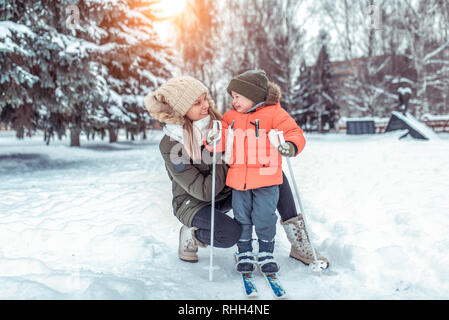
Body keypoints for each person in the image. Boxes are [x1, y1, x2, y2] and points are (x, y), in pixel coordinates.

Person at [144, 75, 329, 269]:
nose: (206, 105)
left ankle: (298, 241)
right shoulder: (170, 144)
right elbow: (204, 191)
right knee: (230, 234)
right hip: (194, 202)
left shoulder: (217, 121)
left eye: (205, 98)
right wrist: (226, 154)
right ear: (180, 110)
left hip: (227, 188)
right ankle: (192, 233)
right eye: (197, 103)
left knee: (271, 174)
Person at [204, 70, 305, 273]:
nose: (234, 102)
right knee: (242, 217)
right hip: (238, 181)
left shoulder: (275, 114)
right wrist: (212, 138)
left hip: (267, 179)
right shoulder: (230, 117)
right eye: (232, 97)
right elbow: (219, 141)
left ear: (253, 95)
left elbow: (294, 132)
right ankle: (244, 251)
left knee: (264, 216)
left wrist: (291, 145)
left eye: (238, 96)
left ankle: (266, 251)